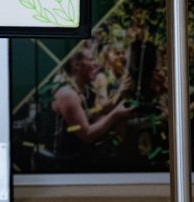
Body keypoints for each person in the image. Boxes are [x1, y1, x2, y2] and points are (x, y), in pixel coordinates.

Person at [51, 41, 134, 170]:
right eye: (91, 59)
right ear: (76, 64)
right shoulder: (68, 94)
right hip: (65, 164)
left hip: (81, 158)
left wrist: (119, 96)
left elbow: (93, 111)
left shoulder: (85, 90)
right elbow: (86, 133)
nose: (96, 63)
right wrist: (115, 114)